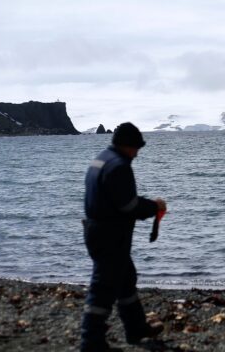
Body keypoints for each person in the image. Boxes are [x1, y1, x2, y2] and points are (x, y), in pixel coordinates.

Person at [81, 122, 167, 351]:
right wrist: (154, 206)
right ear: (128, 145)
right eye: (136, 148)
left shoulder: (100, 159)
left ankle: (136, 328)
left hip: (95, 231)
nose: (137, 153)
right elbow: (128, 206)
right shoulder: (119, 166)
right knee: (102, 289)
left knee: (126, 279)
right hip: (110, 236)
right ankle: (90, 342)